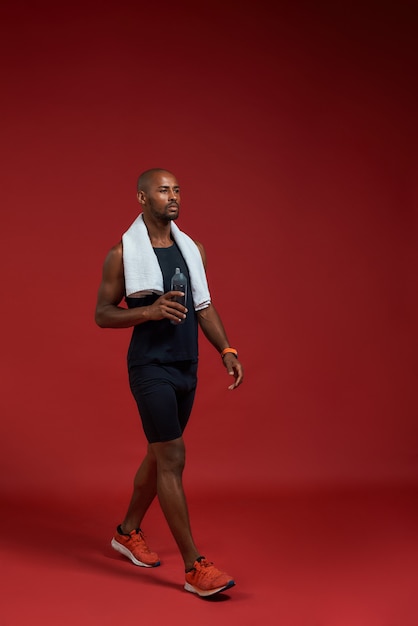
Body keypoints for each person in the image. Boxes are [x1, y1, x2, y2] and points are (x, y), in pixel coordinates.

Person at [95, 168, 243, 598]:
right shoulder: (122, 253)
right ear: (142, 198)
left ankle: (126, 532)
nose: (173, 196)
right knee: (173, 456)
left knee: (158, 456)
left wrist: (227, 350)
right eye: (163, 190)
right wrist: (147, 311)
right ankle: (195, 566)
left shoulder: (192, 248)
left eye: (176, 190)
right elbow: (102, 313)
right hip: (149, 367)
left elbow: (204, 305)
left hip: (186, 366)